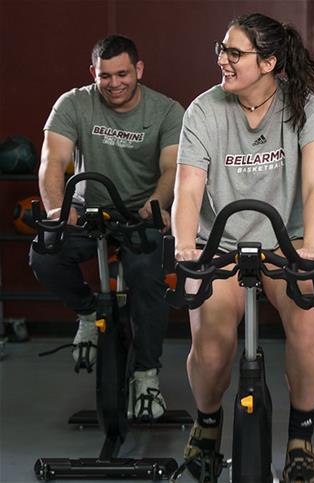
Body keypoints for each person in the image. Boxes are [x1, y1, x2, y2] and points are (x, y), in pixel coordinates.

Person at [172, 13, 314, 483]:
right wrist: (185, 245)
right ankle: (206, 424)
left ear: (268, 62)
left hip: (288, 241)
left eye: (234, 53)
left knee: (309, 321)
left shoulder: (307, 107)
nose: (223, 59)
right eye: (220, 49)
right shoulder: (203, 110)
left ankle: (302, 436)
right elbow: (188, 188)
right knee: (212, 344)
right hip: (217, 242)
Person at [30, 34, 183, 421]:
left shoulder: (166, 111)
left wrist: (156, 205)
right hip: (85, 209)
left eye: (123, 74)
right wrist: (56, 211)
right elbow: (52, 162)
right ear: (93, 74)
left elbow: (171, 169)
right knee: (45, 254)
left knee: (147, 274)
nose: (115, 83)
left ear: (139, 70)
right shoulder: (74, 103)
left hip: (139, 210)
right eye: (105, 76)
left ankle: (146, 375)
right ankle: (86, 315)